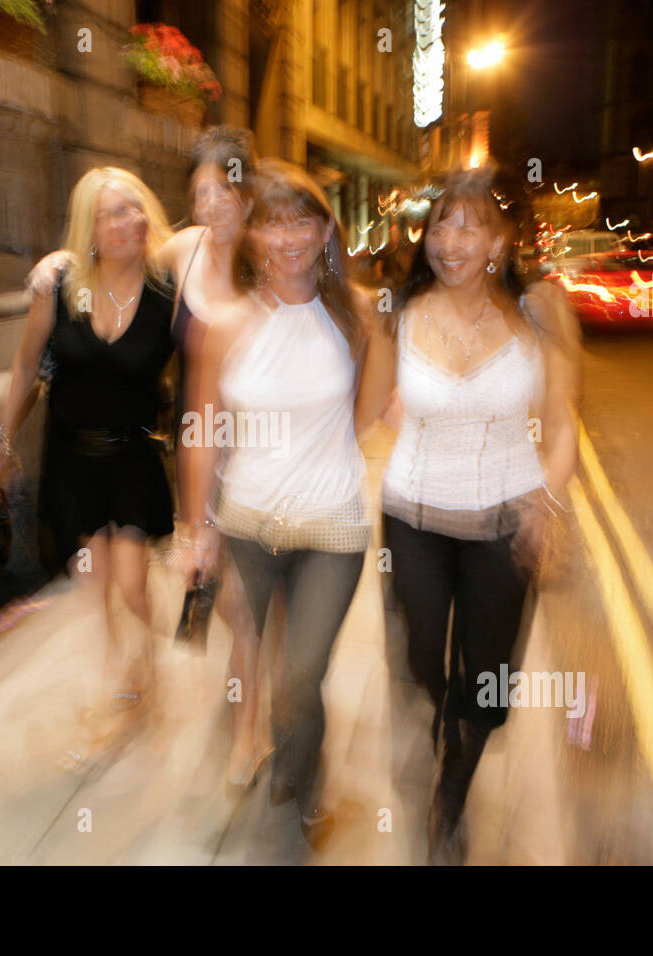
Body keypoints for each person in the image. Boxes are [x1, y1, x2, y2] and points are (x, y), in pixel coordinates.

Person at [28, 129, 273, 793]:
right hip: (204, 447)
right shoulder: (182, 254)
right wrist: (56, 262)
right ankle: (208, 700)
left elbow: (327, 301)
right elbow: (109, 253)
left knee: (249, 601)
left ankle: (254, 720)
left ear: (250, 193)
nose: (216, 202)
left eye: (228, 187)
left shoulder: (273, 253)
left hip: (269, 448)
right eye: (202, 191)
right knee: (219, 593)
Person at [354, 161, 581, 864]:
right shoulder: (399, 310)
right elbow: (368, 407)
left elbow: (565, 422)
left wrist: (548, 500)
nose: (451, 241)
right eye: (442, 223)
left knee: (485, 683)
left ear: (502, 240)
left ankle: (451, 792)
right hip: (415, 517)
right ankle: (441, 722)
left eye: (471, 225)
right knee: (422, 659)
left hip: (506, 523)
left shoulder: (541, 311)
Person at [179, 159, 376, 851]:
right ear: (253, 235)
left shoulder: (356, 317)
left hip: (334, 526)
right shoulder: (224, 325)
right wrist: (195, 528)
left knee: (302, 672)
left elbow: (366, 417)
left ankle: (292, 787)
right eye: (272, 222)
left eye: (303, 220)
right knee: (268, 665)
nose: (288, 236)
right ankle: (301, 775)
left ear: (326, 231)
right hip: (250, 526)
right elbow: (201, 433)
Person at [0, 166, 176, 774]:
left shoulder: (168, 291)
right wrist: (0, 436)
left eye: (136, 208)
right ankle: (118, 693)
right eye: (113, 212)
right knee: (92, 589)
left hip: (133, 457)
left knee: (130, 585)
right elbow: (23, 367)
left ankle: (144, 665)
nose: (129, 221)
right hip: (71, 459)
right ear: (88, 227)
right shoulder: (61, 286)